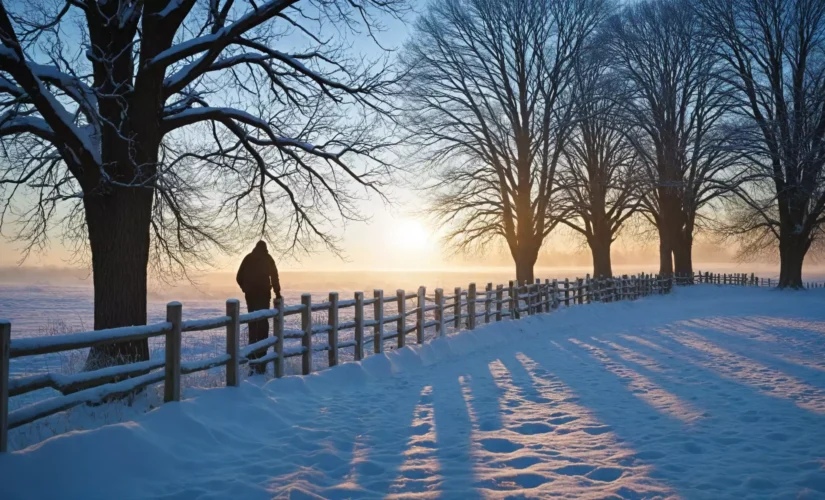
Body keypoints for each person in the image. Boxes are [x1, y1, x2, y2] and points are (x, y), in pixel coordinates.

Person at [236, 241, 281, 374]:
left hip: (250, 296)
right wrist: (277, 293)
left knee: (252, 322)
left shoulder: (248, 258)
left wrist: (246, 288)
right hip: (263, 294)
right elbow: (274, 276)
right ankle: (262, 355)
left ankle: (252, 355)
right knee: (263, 322)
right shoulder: (268, 258)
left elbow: (238, 276)